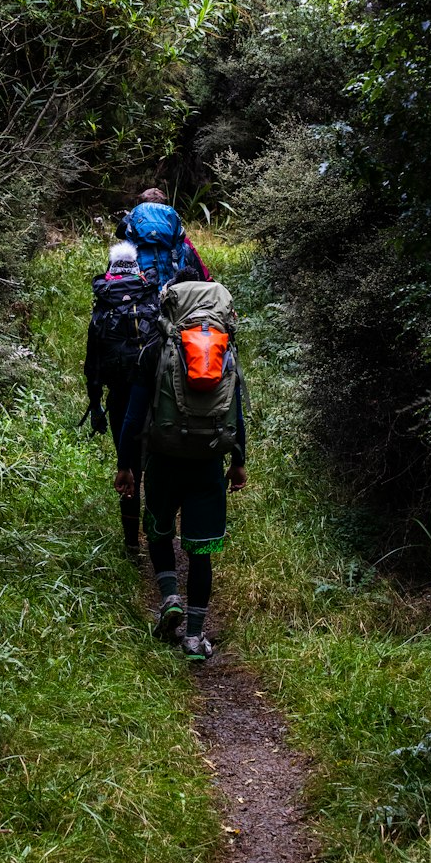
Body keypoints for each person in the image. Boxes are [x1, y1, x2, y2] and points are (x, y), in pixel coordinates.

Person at [114, 273, 247, 660]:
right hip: (208, 461)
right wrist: (238, 462)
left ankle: (170, 596)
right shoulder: (224, 350)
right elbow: (235, 414)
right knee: (201, 549)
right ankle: (193, 638)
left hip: (164, 459)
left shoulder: (156, 348)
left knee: (158, 531)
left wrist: (126, 465)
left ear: (172, 304)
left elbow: (134, 416)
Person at [83, 240, 161, 556]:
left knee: (127, 466)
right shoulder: (150, 297)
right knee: (155, 467)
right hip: (152, 396)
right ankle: (158, 535)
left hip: (118, 397)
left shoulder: (104, 304)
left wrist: (96, 404)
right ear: (137, 268)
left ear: (111, 269)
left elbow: (92, 363)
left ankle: (131, 543)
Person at [116, 187, 211, 287]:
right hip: (175, 299)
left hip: (139, 300)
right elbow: (203, 279)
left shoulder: (124, 248)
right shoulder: (182, 243)